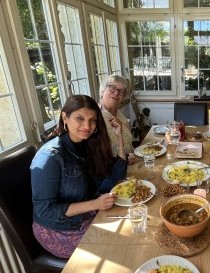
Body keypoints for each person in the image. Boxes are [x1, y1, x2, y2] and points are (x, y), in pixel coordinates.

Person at [30, 95, 127, 258]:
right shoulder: (49, 157)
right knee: (120, 247)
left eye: (92, 120)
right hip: (59, 230)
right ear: (65, 118)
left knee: (132, 224)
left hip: (85, 215)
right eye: (80, 118)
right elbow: (45, 210)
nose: (87, 126)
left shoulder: (87, 144)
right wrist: (94, 204)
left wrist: (120, 137)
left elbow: (116, 175)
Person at [99, 74, 135, 165]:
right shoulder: (96, 117)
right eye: (112, 88)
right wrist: (125, 158)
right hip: (113, 171)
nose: (116, 93)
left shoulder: (119, 114)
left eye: (121, 91)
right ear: (103, 90)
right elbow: (99, 156)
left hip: (131, 164)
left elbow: (128, 144)